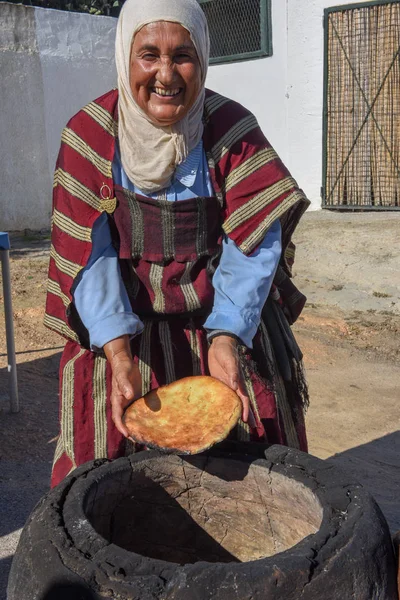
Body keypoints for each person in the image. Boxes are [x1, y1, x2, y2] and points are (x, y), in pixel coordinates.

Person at [45, 0, 310, 488]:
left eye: (182, 55)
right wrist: (119, 353)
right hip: (123, 331)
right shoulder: (88, 137)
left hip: (224, 323)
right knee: (107, 472)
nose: (165, 74)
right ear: (126, 56)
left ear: (203, 58)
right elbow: (90, 257)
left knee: (260, 469)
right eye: (149, 54)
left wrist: (228, 336)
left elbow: (253, 242)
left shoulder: (232, 133)